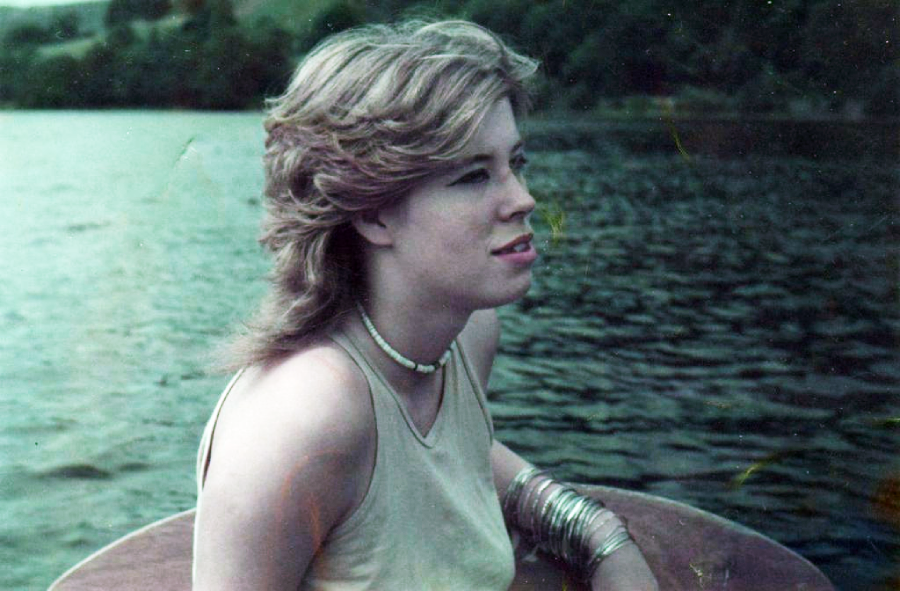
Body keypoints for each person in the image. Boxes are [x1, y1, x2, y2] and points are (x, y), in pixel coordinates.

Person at [192, 19, 658, 591]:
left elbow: (458, 460)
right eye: (472, 177)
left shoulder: (467, 335)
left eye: (517, 163)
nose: (522, 199)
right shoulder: (303, 418)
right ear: (372, 214)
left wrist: (597, 536)